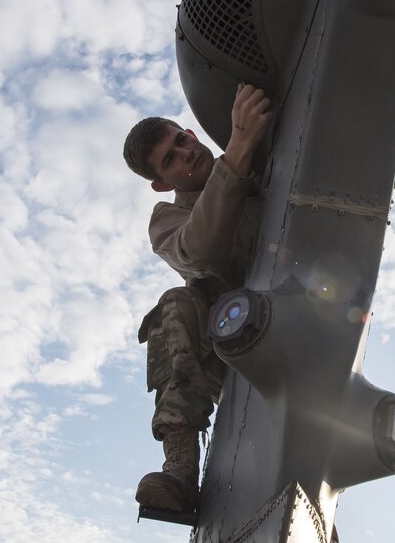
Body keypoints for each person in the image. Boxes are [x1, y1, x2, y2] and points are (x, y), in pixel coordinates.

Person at [122, 84, 272, 513]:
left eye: (181, 140)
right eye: (170, 159)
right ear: (160, 183)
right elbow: (199, 252)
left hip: (306, 317)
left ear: (190, 131)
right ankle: (180, 469)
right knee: (176, 304)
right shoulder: (167, 221)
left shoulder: (263, 155)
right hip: (237, 355)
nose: (186, 152)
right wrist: (237, 153)